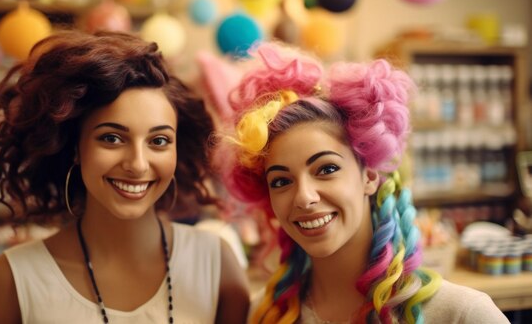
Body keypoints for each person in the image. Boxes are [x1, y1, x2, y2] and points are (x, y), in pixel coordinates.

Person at [213, 43, 509, 323]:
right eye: (280, 181)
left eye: (326, 169)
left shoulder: (462, 315)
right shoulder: (262, 316)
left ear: (370, 175)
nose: (303, 197)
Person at [0, 30, 250, 324]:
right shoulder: (13, 280)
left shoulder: (216, 266)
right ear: (75, 147)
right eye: (112, 138)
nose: (138, 165)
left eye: (158, 141)